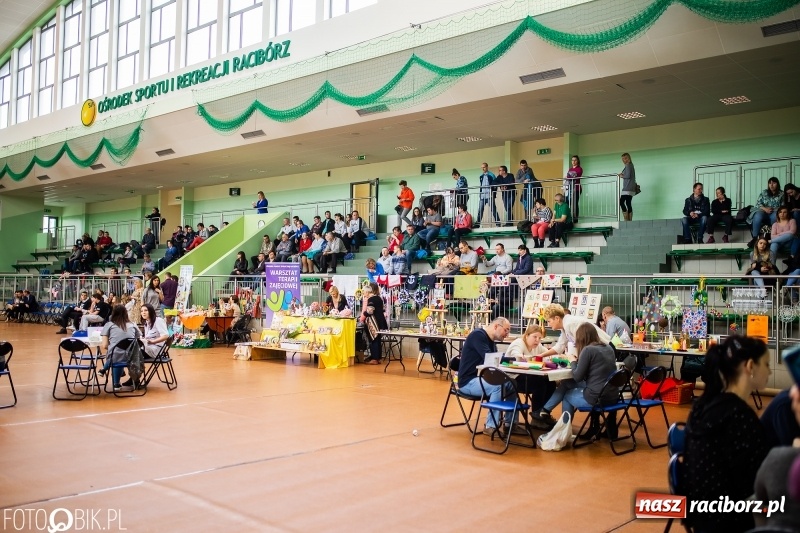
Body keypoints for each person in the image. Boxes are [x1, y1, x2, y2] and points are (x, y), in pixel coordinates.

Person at [682, 335, 770, 533]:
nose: (770, 371)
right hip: (730, 521)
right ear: (750, 366)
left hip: (702, 518)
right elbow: (760, 479)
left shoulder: (704, 406)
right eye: (766, 364)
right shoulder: (739, 417)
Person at [533, 323, 619, 439]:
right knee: (566, 383)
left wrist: (573, 360)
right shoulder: (608, 348)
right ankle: (545, 410)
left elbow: (578, 376)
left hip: (597, 397)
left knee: (567, 396)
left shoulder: (588, 350)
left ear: (581, 337)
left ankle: (564, 431)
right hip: (612, 395)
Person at [456, 317, 526, 436]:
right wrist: (514, 360)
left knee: (511, 383)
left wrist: (512, 360)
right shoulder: (477, 336)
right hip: (467, 382)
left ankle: (511, 424)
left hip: (480, 379)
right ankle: (490, 426)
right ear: (496, 326)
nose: (507, 334)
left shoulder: (491, 342)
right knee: (497, 387)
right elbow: (491, 358)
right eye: (506, 330)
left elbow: (496, 360)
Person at [538, 303, 611, 359]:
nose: (548, 324)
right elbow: (560, 346)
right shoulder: (565, 325)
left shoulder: (570, 324)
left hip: (604, 349)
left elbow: (584, 345)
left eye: (549, 321)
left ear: (557, 318)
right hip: (600, 350)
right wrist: (541, 355)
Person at [98, 304, 140, 391]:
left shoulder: (109, 324)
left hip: (115, 356)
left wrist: (115, 347)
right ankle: (105, 370)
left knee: (115, 353)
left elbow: (105, 345)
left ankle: (115, 383)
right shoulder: (133, 325)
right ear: (126, 314)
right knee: (121, 352)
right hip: (132, 357)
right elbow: (138, 339)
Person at [748, 176, 784, 248]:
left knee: (775, 216)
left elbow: (783, 206)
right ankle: (755, 238)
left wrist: (774, 209)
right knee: (757, 215)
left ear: (777, 184)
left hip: (775, 212)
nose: (771, 185)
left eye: (774, 183)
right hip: (763, 211)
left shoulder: (781, 193)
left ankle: (773, 238)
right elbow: (758, 204)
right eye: (770, 183)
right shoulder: (764, 192)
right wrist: (765, 209)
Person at [362, 282, 388, 365]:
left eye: (364, 292)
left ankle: (375, 358)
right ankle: (378, 358)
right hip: (381, 321)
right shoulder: (379, 298)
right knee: (378, 339)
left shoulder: (371, 299)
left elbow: (370, 311)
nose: (364, 294)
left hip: (374, 322)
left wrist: (363, 315)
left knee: (374, 340)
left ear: (367, 292)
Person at [475, 162, 497, 227]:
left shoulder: (491, 175)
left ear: (487, 167)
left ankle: (498, 223)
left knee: (493, 210)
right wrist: (480, 193)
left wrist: (494, 194)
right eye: (482, 167)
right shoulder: (481, 176)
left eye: (484, 167)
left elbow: (495, 185)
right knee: (480, 210)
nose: (483, 169)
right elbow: (481, 186)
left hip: (489, 195)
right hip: (482, 196)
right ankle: (477, 224)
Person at [618, 152, 637, 221]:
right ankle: (629, 219)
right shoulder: (631, 165)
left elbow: (628, 176)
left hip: (627, 188)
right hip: (631, 188)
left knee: (621, 202)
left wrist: (621, 176)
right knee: (628, 203)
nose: (624, 160)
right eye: (623, 159)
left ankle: (626, 218)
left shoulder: (628, 165)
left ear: (628, 158)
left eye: (625, 158)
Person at [564, 155, 583, 223]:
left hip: (576, 188)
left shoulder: (579, 169)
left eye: (575, 160)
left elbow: (575, 175)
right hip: (569, 188)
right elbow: (569, 177)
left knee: (575, 203)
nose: (573, 161)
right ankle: (567, 218)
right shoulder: (570, 169)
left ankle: (575, 219)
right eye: (572, 160)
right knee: (566, 203)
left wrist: (568, 175)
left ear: (578, 161)